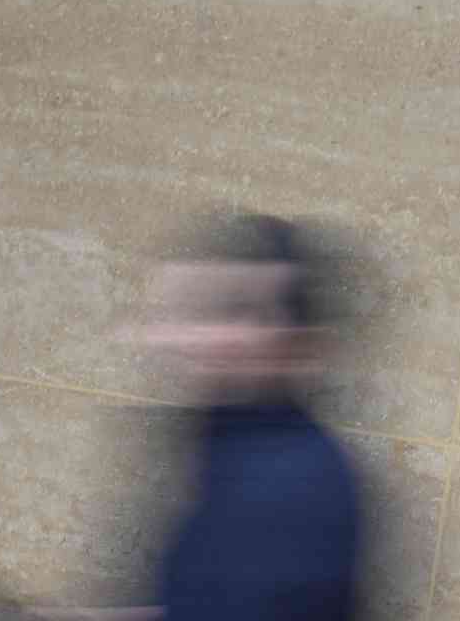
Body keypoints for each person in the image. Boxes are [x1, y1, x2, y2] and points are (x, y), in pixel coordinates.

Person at [31, 212, 364, 621]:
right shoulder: (228, 442)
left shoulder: (297, 483)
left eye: (243, 314)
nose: (203, 335)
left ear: (300, 347)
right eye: (203, 310)